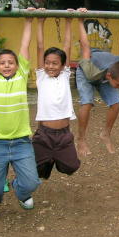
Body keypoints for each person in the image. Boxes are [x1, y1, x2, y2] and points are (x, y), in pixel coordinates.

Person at [0, 6, 41, 215]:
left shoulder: (21, 76)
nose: (6, 65)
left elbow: (25, 45)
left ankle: (20, 192)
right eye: (2, 62)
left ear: (17, 65)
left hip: (21, 141)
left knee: (32, 183)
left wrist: (28, 21)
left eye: (11, 62)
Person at [75, 8, 119, 156]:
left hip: (103, 72)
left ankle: (106, 134)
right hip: (87, 72)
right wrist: (80, 20)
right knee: (87, 102)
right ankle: (81, 138)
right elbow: (85, 46)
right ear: (109, 76)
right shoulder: (90, 69)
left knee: (116, 103)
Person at [32, 11, 81, 180]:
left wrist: (69, 22)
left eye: (55, 63)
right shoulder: (42, 76)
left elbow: (66, 47)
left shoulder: (65, 75)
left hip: (64, 134)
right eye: (47, 62)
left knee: (72, 166)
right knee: (35, 172)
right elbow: (39, 46)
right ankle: (46, 162)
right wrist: (40, 22)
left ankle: (55, 158)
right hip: (44, 134)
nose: (50, 66)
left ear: (62, 66)